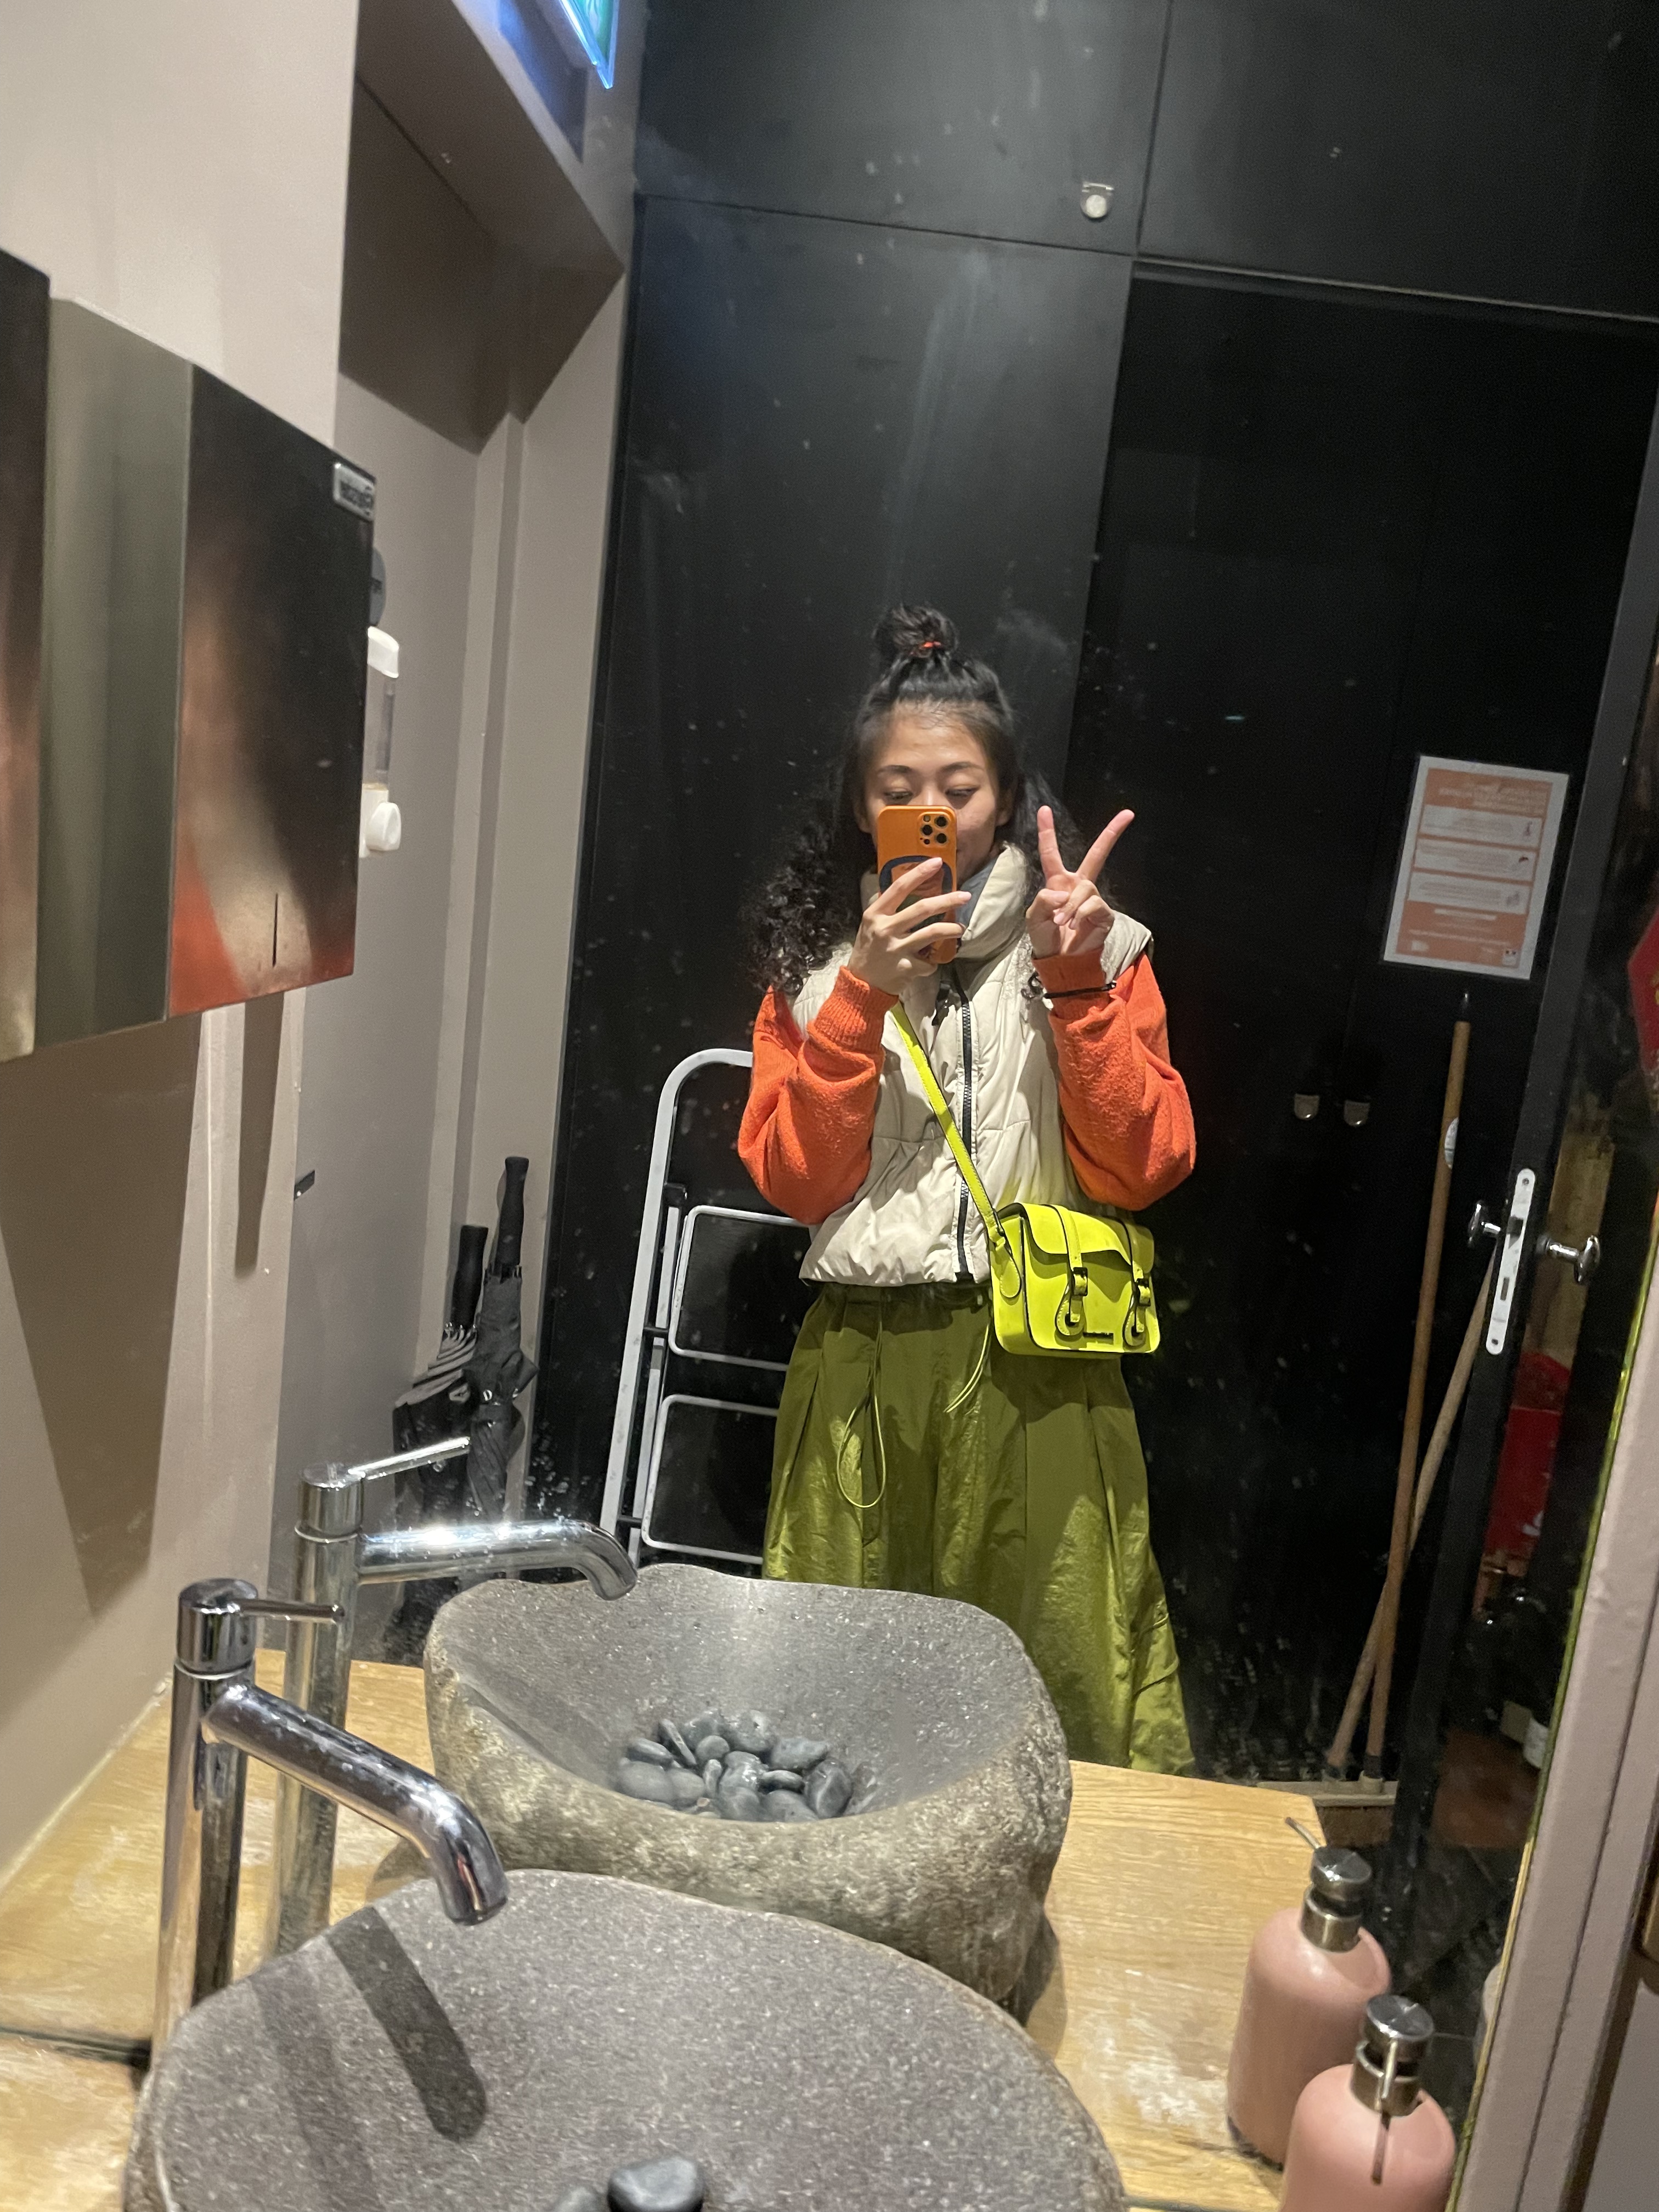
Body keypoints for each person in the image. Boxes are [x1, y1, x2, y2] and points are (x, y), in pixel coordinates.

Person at [739, 606, 1197, 1770]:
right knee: (836, 1696)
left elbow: (1147, 1164)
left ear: (1005, 798)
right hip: (863, 1369)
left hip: (1040, 1372)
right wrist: (860, 996)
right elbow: (797, 1182)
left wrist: (1075, 983)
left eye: (960, 788)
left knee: (1059, 1690)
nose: (933, 812)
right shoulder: (812, 972)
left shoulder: (1097, 948)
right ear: (862, 808)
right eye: (901, 790)